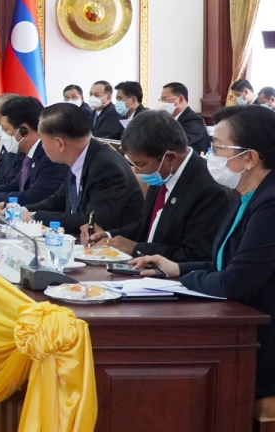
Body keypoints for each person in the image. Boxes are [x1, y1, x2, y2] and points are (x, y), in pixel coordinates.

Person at [130, 105, 275, 398]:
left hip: (262, 339)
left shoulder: (269, 204)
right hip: (241, 324)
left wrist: (183, 280)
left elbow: (235, 281)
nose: (210, 156)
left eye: (218, 147)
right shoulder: (246, 195)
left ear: (250, 158)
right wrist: (176, 268)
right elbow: (225, 263)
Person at [79, 110, 228, 263]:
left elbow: (196, 255)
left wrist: (136, 249)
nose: (137, 171)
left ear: (170, 157)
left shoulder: (210, 190)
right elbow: (148, 226)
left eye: (141, 164)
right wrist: (108, 236)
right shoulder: (163, 173)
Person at [19, 102, 144, 233]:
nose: (42, 146)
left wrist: (34, 217)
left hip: (110, 243)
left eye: (43, 141)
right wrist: (24, 210)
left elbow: (91, 222)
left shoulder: (107, 167)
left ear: (59, 143)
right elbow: (58, 201)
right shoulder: (78, 155)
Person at [0, 96, 66, 206]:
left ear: (24, 130)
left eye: (5, 129)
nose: (3, 135)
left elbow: (33, 197)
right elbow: (14, 186)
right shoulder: (28, 153)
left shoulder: (50, 156)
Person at [158, 82, 209, 155]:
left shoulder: (194, 121)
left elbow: (178, 144)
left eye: (166, 99)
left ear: (180, 99)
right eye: (162, 100)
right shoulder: (167, 120)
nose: (163, 103)